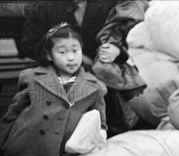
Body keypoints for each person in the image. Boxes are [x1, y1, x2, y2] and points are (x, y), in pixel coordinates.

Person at [0, 23, 106, 156]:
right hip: (27, 147)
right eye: (62, 52)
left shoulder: (93, 86)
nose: (71, 57)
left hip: (62, 155)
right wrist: (4, 143)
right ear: (49, 55)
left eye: (75, 50)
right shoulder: (34, 78)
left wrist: (99, 141)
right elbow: (13, 114)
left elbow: (100, 124)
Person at [18, 0, 148, 136]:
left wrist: (118, 49)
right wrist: (57, 50)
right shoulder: (40, 6)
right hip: (60, 75)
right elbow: (28, 45)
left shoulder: (111, 3)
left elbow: (135, 35)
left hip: (104, 75)